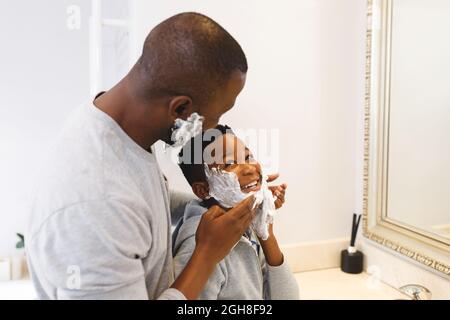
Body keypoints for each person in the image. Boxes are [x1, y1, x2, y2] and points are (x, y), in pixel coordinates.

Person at [25, 12, 279, 300]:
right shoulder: (93, 210)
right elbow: (120, 206)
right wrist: (206, 255)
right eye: (215, 116)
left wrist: (226, 203)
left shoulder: (121, 129)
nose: (214, 128)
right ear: (181, 110)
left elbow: (146, 201)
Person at [173, 125, 299, 299]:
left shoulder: (245, 222)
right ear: (203, 190)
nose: (248, 168)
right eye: (230, 163)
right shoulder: (196, 248)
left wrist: (266, 233)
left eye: (248, 156)